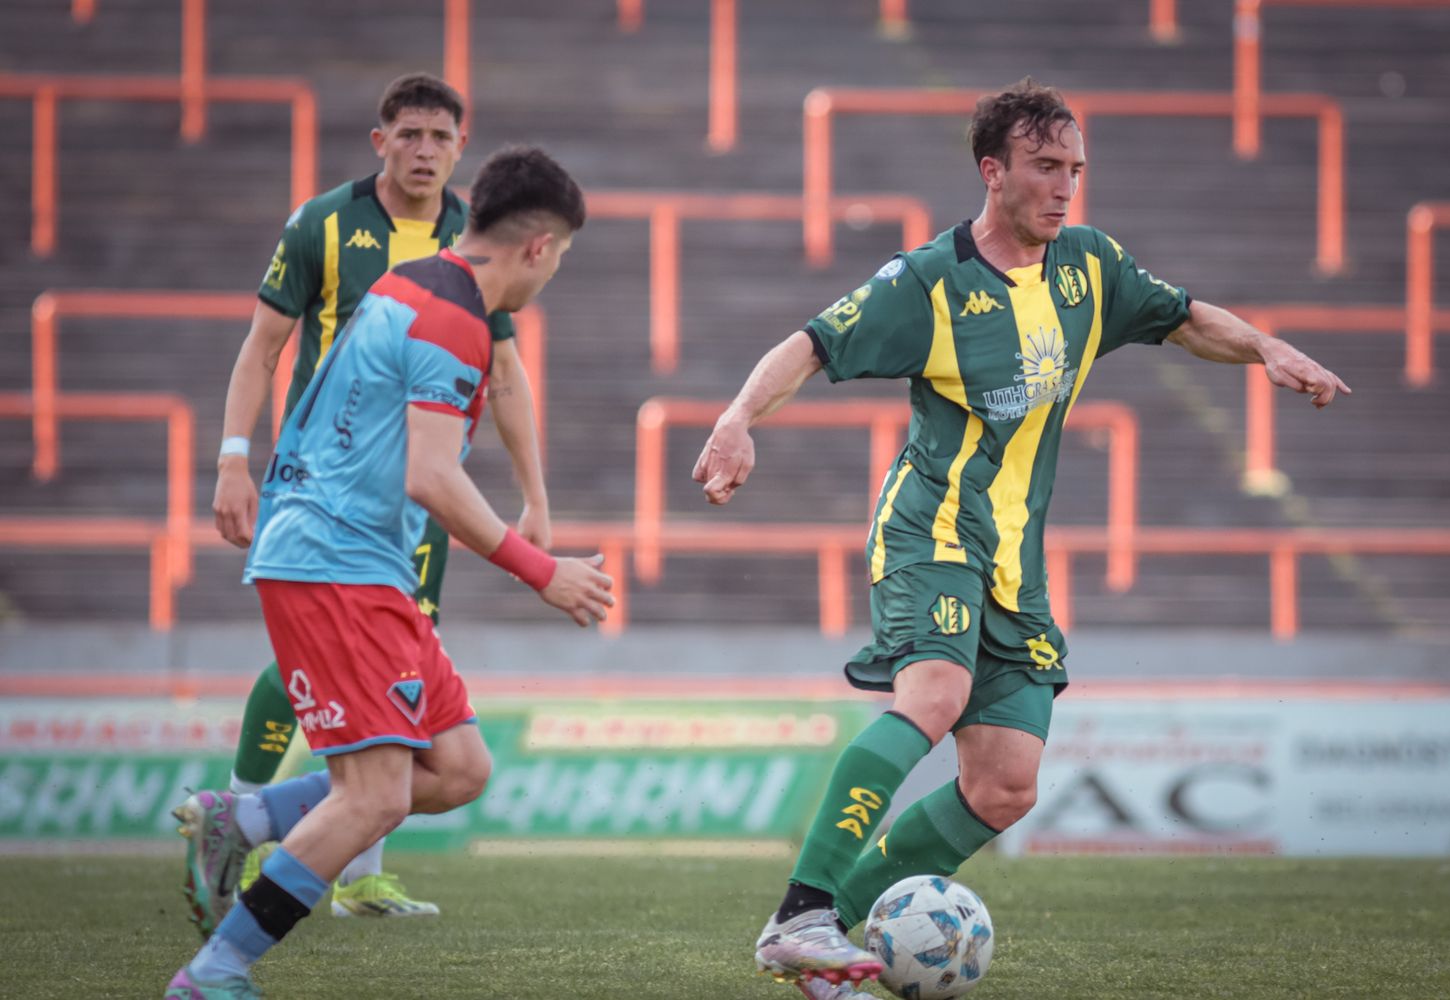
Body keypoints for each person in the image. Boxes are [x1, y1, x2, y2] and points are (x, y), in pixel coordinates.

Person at [692, 78, 1351, 999]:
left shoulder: (1090, 267)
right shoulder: (929, 282)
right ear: (992, 171)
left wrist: (1265, 349)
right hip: (932, 532)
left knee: (1005, 785)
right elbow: (808, 344)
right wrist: (736, 418)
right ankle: (800, 911)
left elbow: (1187, 317)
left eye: (1075, 169)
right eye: (1046, 167)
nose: (1065, 187)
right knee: (936, 691)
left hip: (1016, 566)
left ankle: (830, 936)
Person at [166, 146, 612, 1000]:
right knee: (372, 797)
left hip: (354, 559)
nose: (552, 272)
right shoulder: (454, 320)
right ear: (538, 247)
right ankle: (212, 973)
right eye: (560, 257)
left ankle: (244, 818)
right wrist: (539, 570)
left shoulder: (412, 282)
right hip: (335, 562)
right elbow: (431, 475)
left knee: (458, 768)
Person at [210, 72, 551, 919]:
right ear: (381, 142)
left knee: (399, 671)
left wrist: (534, 495)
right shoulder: (325, 224)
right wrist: (231, 457)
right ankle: (236, 808)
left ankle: (358, 876)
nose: (425, 151)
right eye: (410, 135)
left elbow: (505, 376)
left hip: (416, 491)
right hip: (328, 487)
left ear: (461, 147)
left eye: (440, 137)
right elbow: (262, 347)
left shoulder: (473, 235)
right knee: (318, 664)